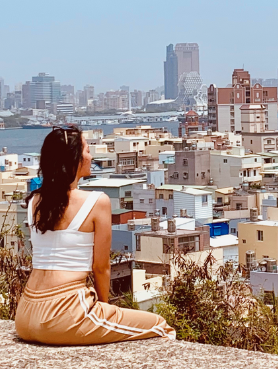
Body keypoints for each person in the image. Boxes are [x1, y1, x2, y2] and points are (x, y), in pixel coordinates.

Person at [15, 125, 175, 345]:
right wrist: (103, 307)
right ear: (75, 158)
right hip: (65, 314)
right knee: (161, 326)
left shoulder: (35, 202)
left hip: (25, 315)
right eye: (87, 150)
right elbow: (101, 267)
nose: (91, 156)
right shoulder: (96, 202)